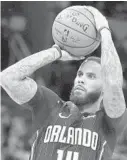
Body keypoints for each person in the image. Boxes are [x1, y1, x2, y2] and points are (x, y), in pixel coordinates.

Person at [1, 6, 127, 160]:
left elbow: (113, 84)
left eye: (91, 76)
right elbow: (8, 78)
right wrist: (55, 52)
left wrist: (104, 30)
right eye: (80, 74)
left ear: (103, 89)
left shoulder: (108, 123)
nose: (81, 78)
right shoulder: (50, 106)